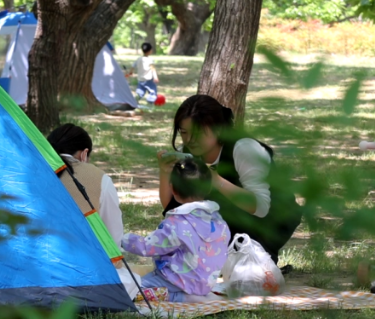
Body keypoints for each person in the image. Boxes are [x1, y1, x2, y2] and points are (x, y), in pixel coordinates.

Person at [157, 94, 302, 268]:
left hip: (271, 221)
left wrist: (216, 180)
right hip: (227, 220)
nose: (190, 140)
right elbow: (174, 207)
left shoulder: (244, 148)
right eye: (184, 133)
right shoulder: (187, 153)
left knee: (245, 269)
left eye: (197, 133)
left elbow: (262, 208)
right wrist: (165, 171)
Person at [47, 124, 139, 299]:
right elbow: (113, 237)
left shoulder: (33, 171)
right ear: (84, 154)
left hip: (35, 269)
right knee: (131, 280)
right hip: (81, 269)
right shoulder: (98, 177)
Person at [122, 160, 230, 301]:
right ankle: (192, 295)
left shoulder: (177, 223)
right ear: (208, 188)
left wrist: (120, 238)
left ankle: (181, 298)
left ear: (173, 189)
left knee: (130, 290)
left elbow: (147, 246)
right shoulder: (219, 221)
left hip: (175, 281)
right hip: (205, 284)